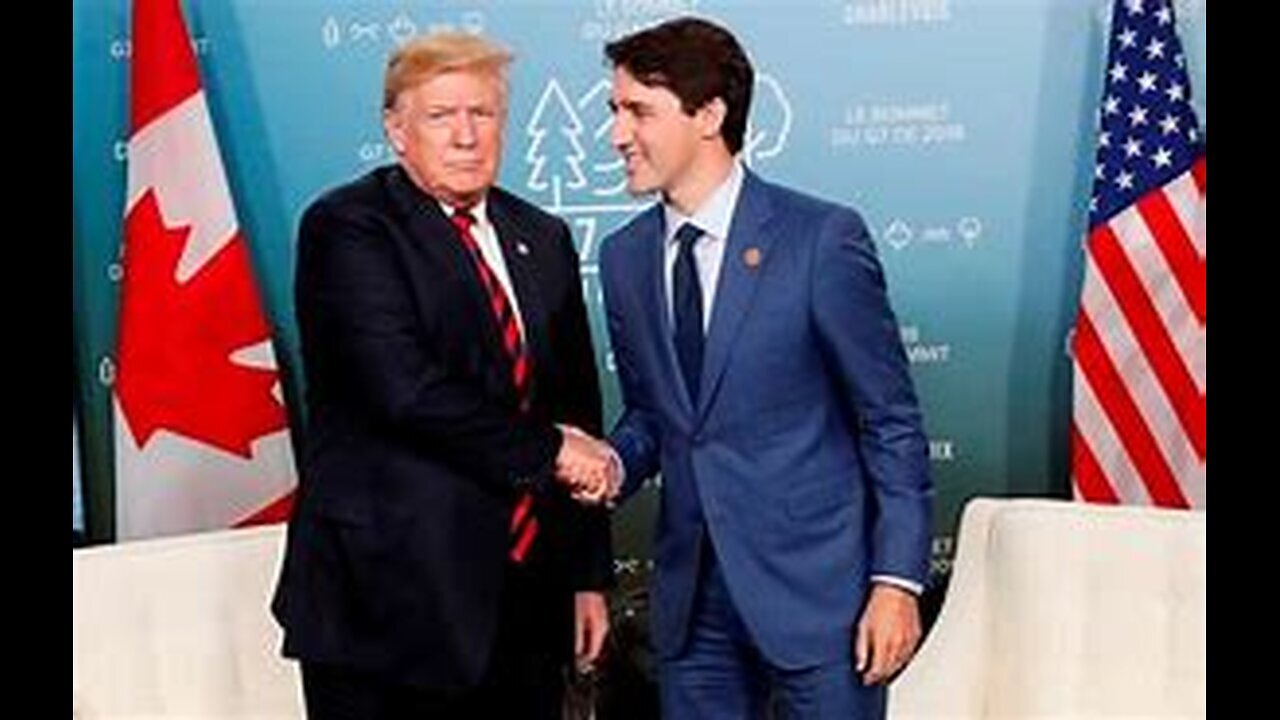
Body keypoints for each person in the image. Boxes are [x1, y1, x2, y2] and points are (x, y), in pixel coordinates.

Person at [596, 16, 934, 719]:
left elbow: (890, 420)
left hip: (825, 603)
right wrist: (613, 466)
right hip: (693, 610)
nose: (617, 135)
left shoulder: (820, 240)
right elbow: (653, 419)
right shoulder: (624, 259)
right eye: (614, 111)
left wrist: (897, 581)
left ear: (710, 115)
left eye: (638, 112)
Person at [271, 30, 615, 720]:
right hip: (388, 604)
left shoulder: (542, 236)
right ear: (396, 130)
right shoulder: (349, 227)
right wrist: (550, 449)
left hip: (525, 599)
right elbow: (403, 388)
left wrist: (586, 577)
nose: (465, 135)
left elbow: (576, 403)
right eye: (441, 115)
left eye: (481, 114)